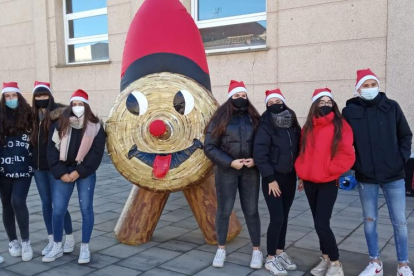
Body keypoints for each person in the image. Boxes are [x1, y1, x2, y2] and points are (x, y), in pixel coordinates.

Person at [343, 69, 413, 276]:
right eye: (366, 85)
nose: (371, 88)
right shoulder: (349, 112)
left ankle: (403, 265)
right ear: (358, 88)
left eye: (374, 84)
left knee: (399, 221)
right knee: (369, 220)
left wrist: (400, 160)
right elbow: (344, 142)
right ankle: (375, 263)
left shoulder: (391, 107)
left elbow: (405, 135)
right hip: (367, 175)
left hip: (394, 175)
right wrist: (356, 164)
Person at [295, 88, 355, 276]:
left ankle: (336, 262)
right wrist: (302, 174)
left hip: (328, 181)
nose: (326, 105)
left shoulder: (341, 125)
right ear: (315, 105)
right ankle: (326, 258)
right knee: (318, 223)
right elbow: (303, 152)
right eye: (322, 102)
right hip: (310, 182)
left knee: (322, 223)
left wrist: (330, 170)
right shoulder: (308, 127)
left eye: (329, 102)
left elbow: (347, 154)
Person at [204, 80, 263, 269]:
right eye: (236, 96)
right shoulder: (220, 118)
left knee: (252, 211)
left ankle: (256, 250)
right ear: (230, 97)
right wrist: (230, 162)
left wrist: (256, 159)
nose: (240, 99)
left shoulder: (255, 118)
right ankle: (220, 249)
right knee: (224, 210)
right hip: (226, 171)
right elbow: (209, 146)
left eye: (243, 96)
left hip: (250, 172)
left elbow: (263, 144)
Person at [44, 89, 105, 264]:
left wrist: (79, 171)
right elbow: (51, 150)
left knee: (86, 209)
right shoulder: (60, 124)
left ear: (86, 106)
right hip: (63, 170)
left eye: (80, 104)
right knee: (58, 210)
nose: (77, 108)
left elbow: (96, 153)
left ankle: (85, 247)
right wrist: (61, 173)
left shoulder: (96, 126)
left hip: (84, 172)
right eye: (74, 104)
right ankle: (57, 244)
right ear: (70, 106)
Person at [253, 89, 301, 275]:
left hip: (290, 176)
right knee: (277, 217)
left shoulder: (292, 124)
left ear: (283, 102)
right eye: (270, 101)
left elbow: (297, 151)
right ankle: (270, 258)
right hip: (272, 178)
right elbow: (260, 154)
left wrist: (300, 175)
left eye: (277, 100)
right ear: (267, 105)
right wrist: (270, 179)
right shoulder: (265, 125)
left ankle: (280, 252)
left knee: (285, 216)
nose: (274, 104)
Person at [30, 81, 75, 256]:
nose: (41, 98)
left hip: (56, 167)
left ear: (50, 96)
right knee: (45, 204)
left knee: (59, 205)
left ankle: (69, 237)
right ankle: (52, 239)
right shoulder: (32, 116)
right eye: (38, 96)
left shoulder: (60, 114)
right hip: (38, 168)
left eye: (44, 95)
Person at [0, 82, 34, 261]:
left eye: (14, 96)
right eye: (7, 96)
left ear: (19, 97)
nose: (11, 99)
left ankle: (26, 241)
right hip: (3, 169)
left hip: (23, 167)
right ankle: (13, 241)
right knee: (6, 204)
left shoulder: (29, 114)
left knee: (18, 201)